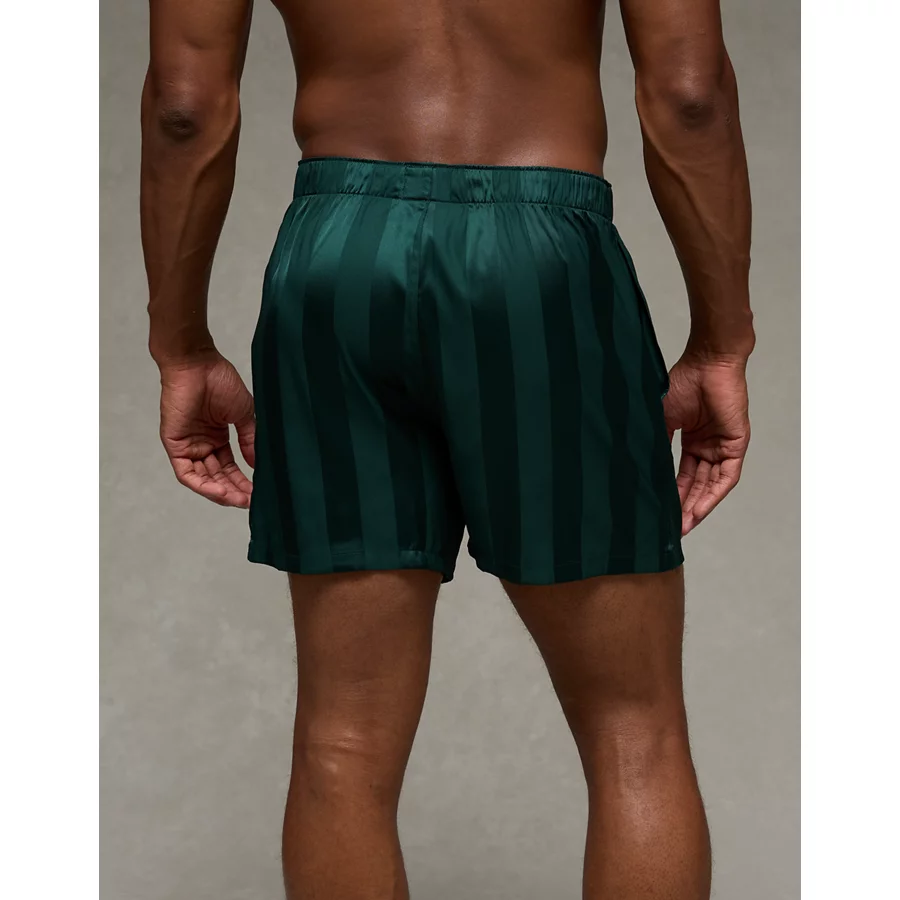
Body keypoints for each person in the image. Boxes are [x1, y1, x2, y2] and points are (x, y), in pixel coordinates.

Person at [140, 0, 753, 895]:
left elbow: (184, 105)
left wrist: (181, 345)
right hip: (545, 263)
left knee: (342, 743)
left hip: (337, 261)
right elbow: (690, 94)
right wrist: (722, 341)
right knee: (634, 732)